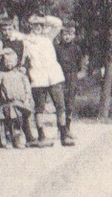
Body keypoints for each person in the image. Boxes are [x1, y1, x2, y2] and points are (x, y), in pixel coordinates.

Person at [20, 14, 73, 147]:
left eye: (40, 25)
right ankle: (41, 136)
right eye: (35, 25)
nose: (38, 27)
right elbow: (16, 38)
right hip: (38, 77)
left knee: (60, 106)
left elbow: (58, 23)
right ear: (30, 26)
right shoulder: (26, 40)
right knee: (40, 108)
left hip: (54, 76)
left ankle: (63, 135)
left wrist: (43, 19)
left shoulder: (48, 37)